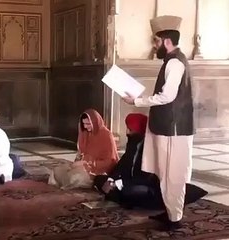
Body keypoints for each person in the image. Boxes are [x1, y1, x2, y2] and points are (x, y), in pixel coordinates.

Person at [122, 15, 194, 230]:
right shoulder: (172, 61)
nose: (155, 46)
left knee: (173, 174)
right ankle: (171, 213)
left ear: (166, 41)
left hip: (173, 128)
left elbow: (167, 96)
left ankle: (175, 219)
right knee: (165, 172)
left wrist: (137, 100)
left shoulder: (175, 63)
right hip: (167, 126)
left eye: (156, 41)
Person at [94, 113, 161, 208]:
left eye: (130, 129)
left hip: (144, 184)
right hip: (127, 181)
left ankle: (123, 199)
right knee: (99, 180)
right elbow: (122, 165)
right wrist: (111, 179)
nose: (127, 132)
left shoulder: (149, 147)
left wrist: (118, 183)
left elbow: (146, 178)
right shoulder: (133, 143)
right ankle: (123, 199)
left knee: (128, 191)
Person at [48, 109, 119, 190]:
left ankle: (66, 185)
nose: (85, 126)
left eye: (88, 124)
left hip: (98, 171)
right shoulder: (85, 133)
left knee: (76, 177)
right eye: (84, 124)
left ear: (95, 122)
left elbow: (110, 161)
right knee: (57, 170)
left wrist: (88, 164)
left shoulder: (106, 135)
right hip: (82, 166)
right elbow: (81, 154)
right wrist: (76, 163)